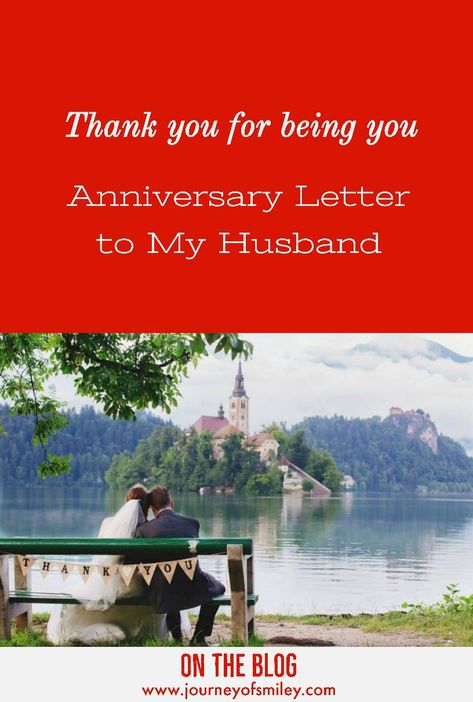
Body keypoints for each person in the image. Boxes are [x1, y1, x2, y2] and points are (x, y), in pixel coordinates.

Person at [47, 485, 169, 645]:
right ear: (147, 506)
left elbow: (98, 559)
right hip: (135, 585)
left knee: (77, 590)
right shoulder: (148, 529)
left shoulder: (108, 523)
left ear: (126, 502)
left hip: (109, 580)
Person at [131, 485, 225, 646]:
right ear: (171, 503)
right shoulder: (192, 524)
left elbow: (137, 561)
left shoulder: (144, 530)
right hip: (192, 583)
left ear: (153, 509)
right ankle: (199, 637)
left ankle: (177, 639)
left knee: (168, 584)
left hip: (160, 589)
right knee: (219, 589)